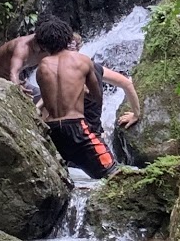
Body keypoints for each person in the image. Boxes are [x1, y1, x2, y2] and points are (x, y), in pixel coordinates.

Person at [32, 17, 119, 179]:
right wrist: (93, 125)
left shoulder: (42, 67)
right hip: (77, 127)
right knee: (114, 174)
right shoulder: (82, 61)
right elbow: (97, 95)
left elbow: (48, 100)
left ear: (43, 43)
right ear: (68, 37)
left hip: (52, 130)